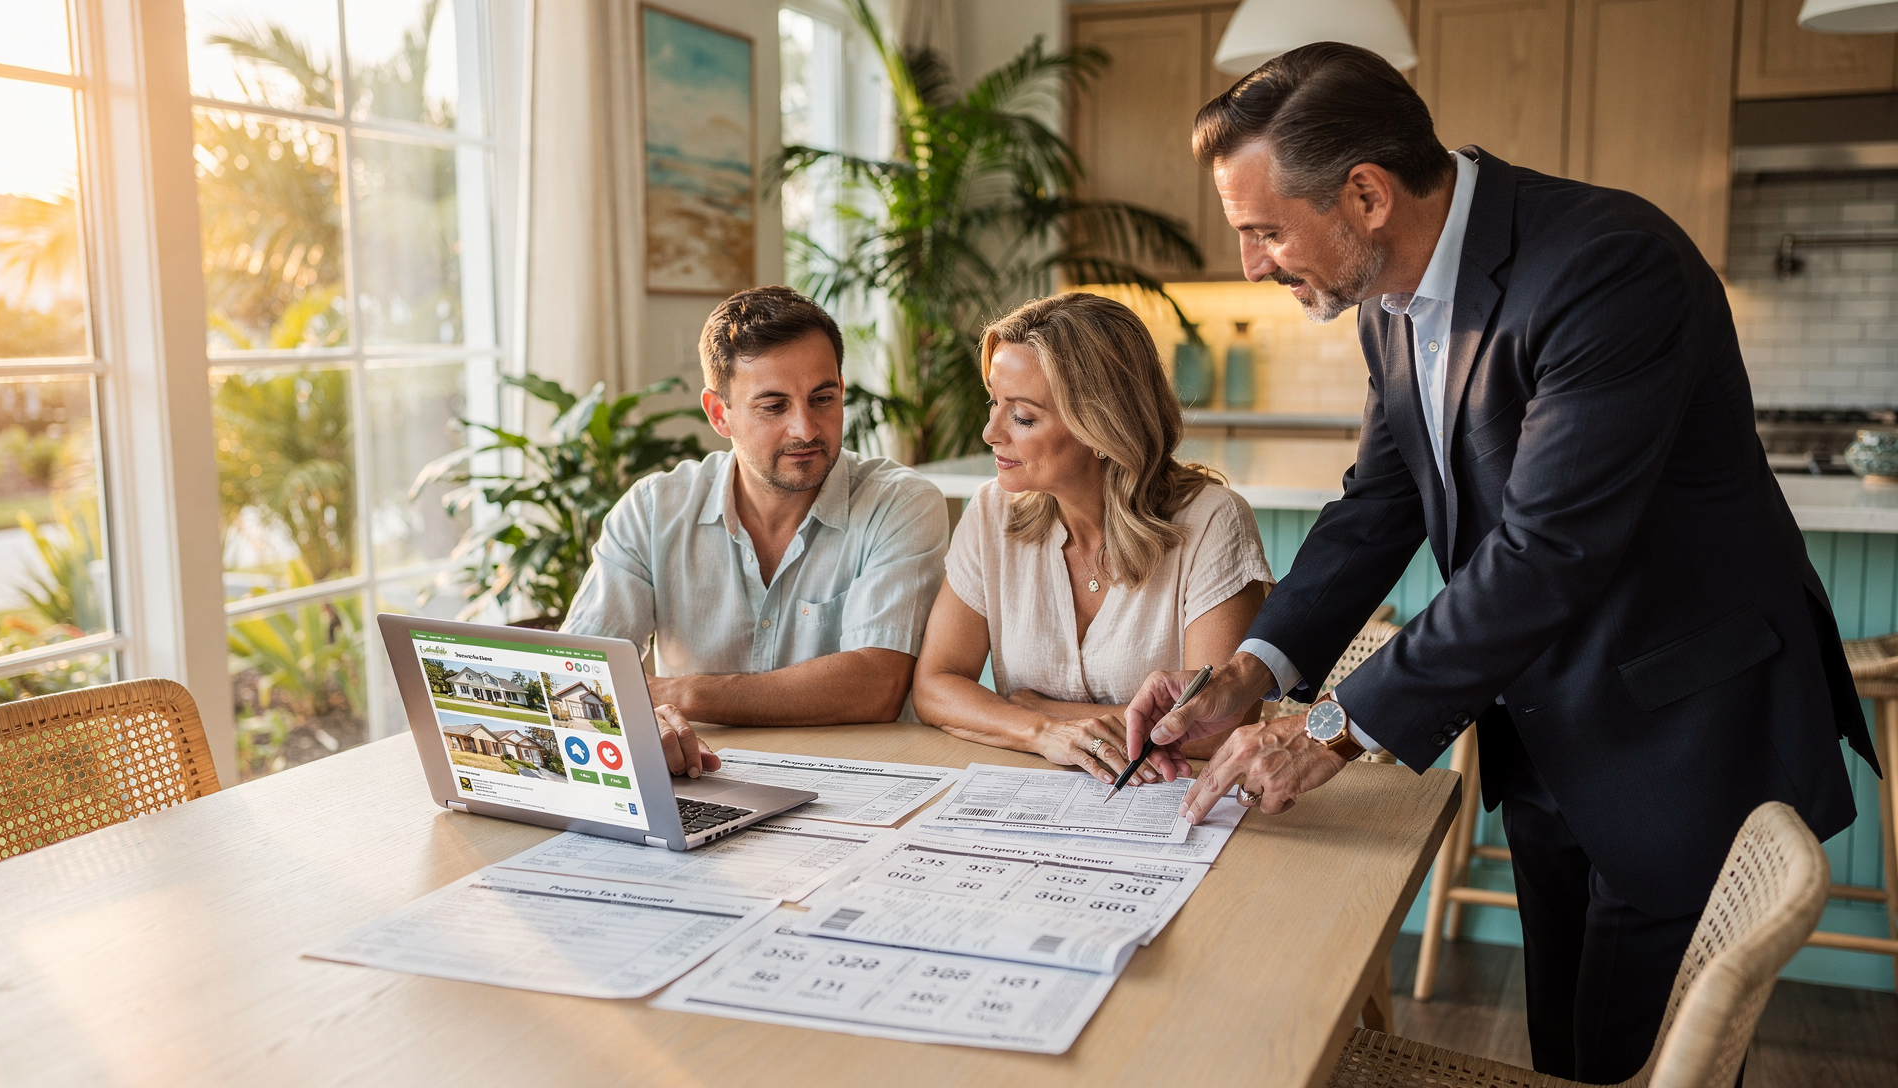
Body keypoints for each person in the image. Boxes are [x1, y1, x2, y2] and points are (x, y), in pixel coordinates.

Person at [1122, 43, 1879, 1083]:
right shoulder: (1389, 299)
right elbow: (1379, 506)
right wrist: (1248, 676)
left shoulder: (1609, 264)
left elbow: (1546, 551)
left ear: (1366, 194)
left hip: (1682, 734)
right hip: (1549, 727)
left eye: (1263, 229)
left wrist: (1330, 730)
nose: (1252, 262)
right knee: (1566, 1047)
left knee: (1637, 1059)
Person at [561, 285, 950, 778]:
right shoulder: (653, 510)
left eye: (822, 398)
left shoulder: (900, 503)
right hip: (702, 781)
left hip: (859, 785)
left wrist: (680, 692)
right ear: (718, 413)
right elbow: (577, 673)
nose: (805, 428)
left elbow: (877, 684)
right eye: (773, 406)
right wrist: (649, 716)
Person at [914, 293, 1273, 782]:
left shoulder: (1212, 522)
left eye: (1022, 416)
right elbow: (936, 686)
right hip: (1031, 799)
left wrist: (1047, 709)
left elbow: (1217, 724)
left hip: (1171, 805)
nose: (989, 432)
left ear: (1100, 426)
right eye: (993, 403)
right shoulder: (990, 513)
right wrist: (1041, 730)